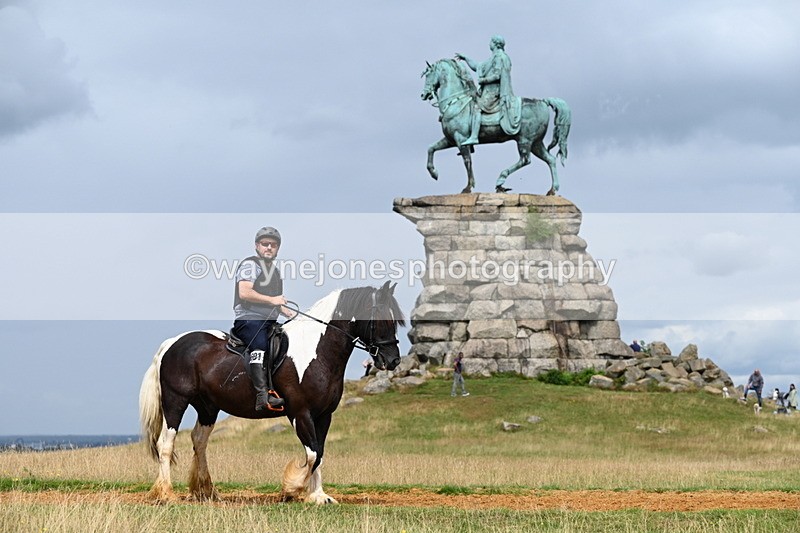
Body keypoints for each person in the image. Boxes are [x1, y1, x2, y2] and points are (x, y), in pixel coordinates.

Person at [233, 226, 296, 411]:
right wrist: (273, 300)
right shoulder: (250, 265)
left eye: (273, 245)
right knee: (260, 345)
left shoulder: (275, 273)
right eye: (265, 244)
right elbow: (244, 293)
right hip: (249, 319)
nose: (269, 247)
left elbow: (278, 303)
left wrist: (291, 314)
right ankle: (263, 396)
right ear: (257, 246)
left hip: (270, 320)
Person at [455, 35, 521, 145]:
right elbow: (478, 66)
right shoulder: (493, 58)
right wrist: (466, 58)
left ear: (495, 43)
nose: (489, 43)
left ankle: (474, 136)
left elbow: (497, 75)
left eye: (490, 41)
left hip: (494, 92)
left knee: (476, 107)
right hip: (488, 91)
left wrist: (483, 80)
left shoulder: (500, 57)